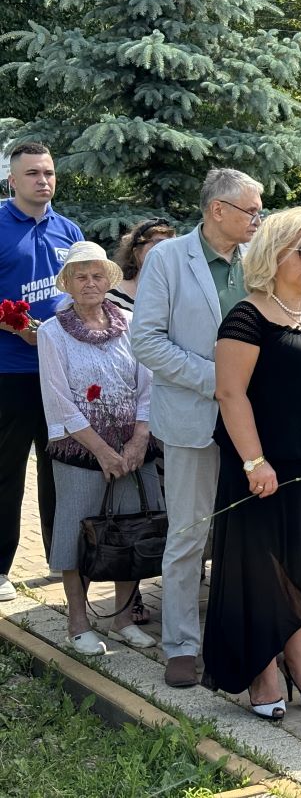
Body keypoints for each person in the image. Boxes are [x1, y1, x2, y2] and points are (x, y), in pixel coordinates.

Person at [202, 207, 301, 719]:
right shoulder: (246, 315)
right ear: (273, 253)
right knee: (259, 573)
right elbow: (229, 393)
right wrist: (254, 462)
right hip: (264, 471)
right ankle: (262, 673)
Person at [131, 168, 262, 688]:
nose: (258, 219)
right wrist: (218, 381)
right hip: (195, 416)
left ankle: (244, 636)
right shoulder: (167, 259)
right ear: (218, 211)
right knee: (189, 533)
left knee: (248, 532)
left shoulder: (258, 260)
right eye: (251, 210)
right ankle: (181, 644)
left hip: (253, 418)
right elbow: (147, 342)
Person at [37, 242, 160, 654]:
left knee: (133, 529)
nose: (90, 283)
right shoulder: (53, 332)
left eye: (97, 276)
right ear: (68, 284)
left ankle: (124, 617)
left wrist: (140, 438)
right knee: (76, 533)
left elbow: (149, 384)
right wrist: (103, 452)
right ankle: (77, 622)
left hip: (134, 449)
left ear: (109, 280)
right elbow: (59, 401)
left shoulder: (130, 321)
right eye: (81, 277)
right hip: (81, 453)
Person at [0, 142, 82, 603]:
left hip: (60, 374)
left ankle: (62, 558)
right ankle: (0, 567)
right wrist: (17, 326)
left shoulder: (69, 230)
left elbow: (86, 292)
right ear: (12, 180)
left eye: (48, 172)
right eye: (32, 173)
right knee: (6, 472)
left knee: (62, 471)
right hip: (9, 372)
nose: (43, 181)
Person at [109, 217, 177, 627]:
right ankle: (130, 597)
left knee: (177, 507)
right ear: (136, 250)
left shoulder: (176, 289)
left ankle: (180, 585)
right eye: (155, 243)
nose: (164, 249)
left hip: (177, 411)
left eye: (171, 242)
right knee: (141, 508)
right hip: (133, 417)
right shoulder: (116, 298)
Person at [108, 218, 178, 312]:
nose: (167, 251)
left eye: (173, 246)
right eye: (159, 244)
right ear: (136, 251)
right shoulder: (112, 294)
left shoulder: (178, 296)